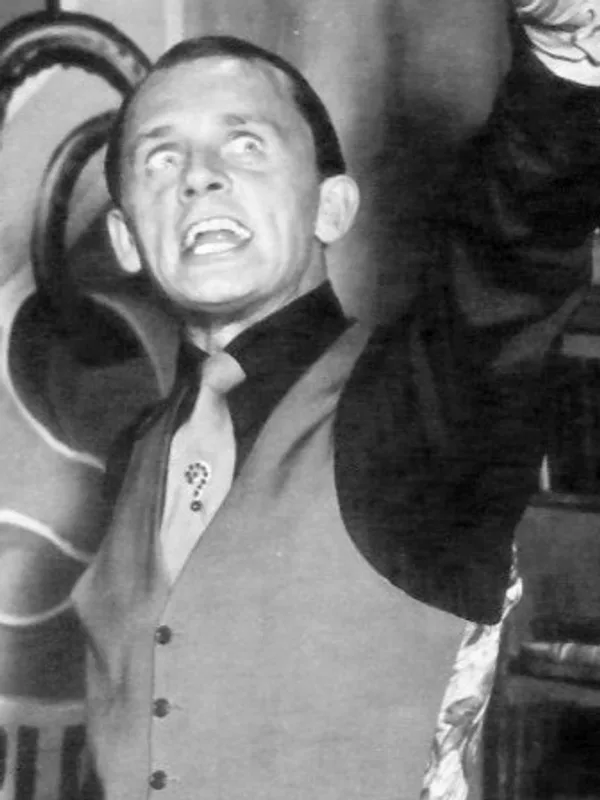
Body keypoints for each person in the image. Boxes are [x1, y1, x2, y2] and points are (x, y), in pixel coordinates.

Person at [73, 1, 600, 797]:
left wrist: (566, 52)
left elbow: (512, 252)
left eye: (246, 145)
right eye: (160, 159)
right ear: (125, 239)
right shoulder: (136, 451)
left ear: (333, 205)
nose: (198, 176)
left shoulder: (423, 403)